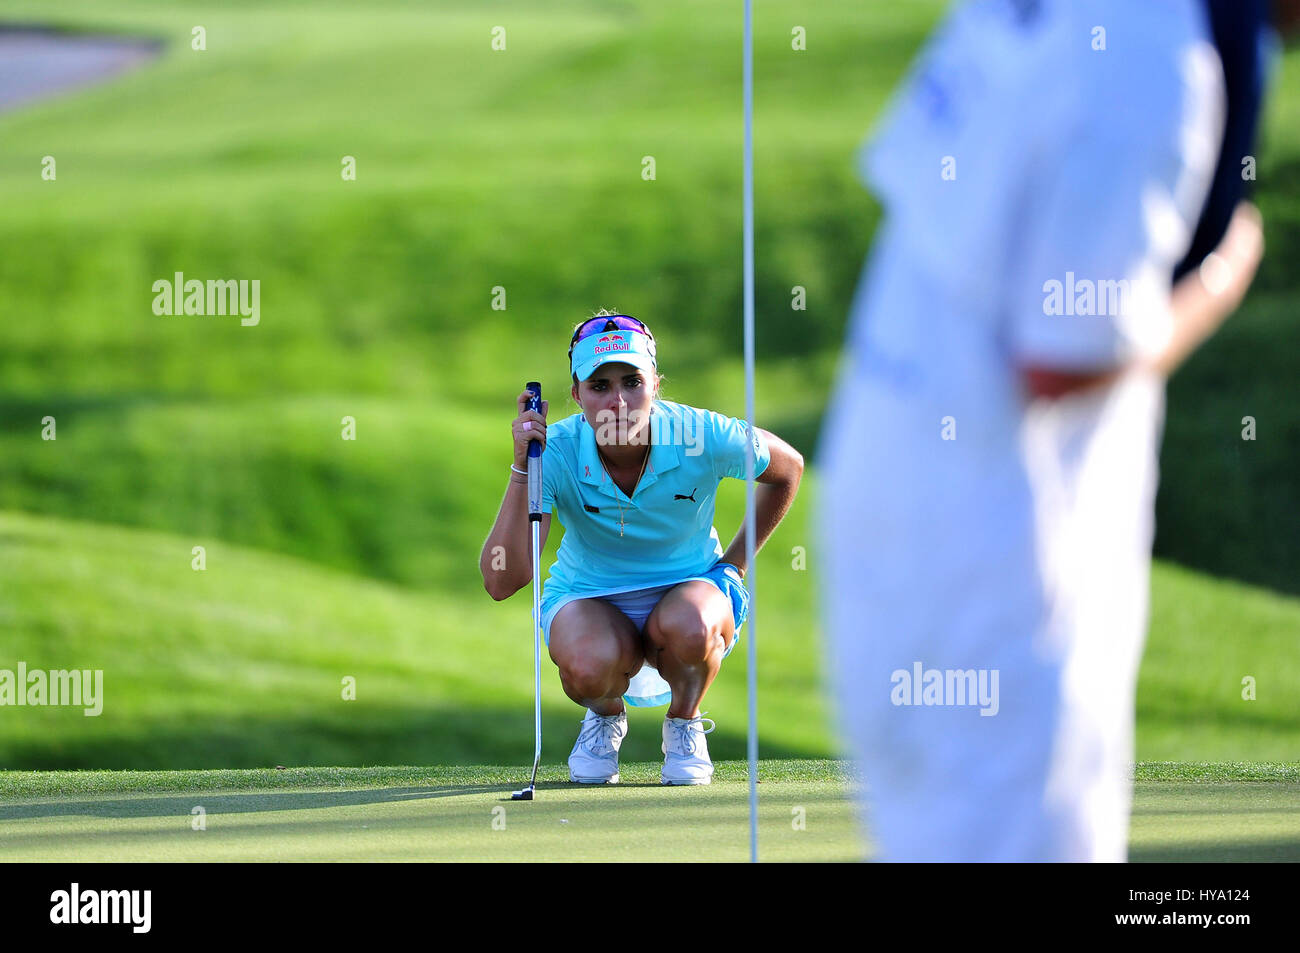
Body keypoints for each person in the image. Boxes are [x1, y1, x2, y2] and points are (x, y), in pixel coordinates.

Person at [815, 0, 1280, 861]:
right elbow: (1062, 356)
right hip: (995, 563)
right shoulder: (1157, 62)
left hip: (900, 514)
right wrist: (1222, 277)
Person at [482, 311, 804, 785]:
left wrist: (732, 568)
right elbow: (502, 580)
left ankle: (684, 723)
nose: (618, 401)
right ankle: (605, 718)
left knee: (692, 625)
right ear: (576, 395)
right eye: (599, 386)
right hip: (589, 597)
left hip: (689, 588)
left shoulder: (700, 434)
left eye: (632, 382)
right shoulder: (555, 449)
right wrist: (522, 469)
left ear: (655, 382)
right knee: (589, 664)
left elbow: (788, 469)